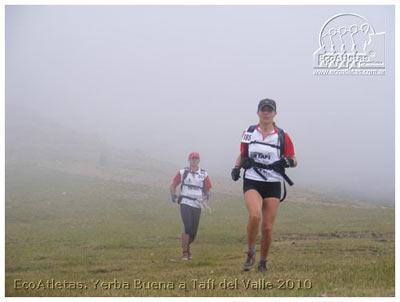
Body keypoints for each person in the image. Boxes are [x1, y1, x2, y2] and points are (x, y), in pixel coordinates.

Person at [231, 98, 297, 272]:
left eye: (270, 110)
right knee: (254, 216)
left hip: (273, 182)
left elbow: (294, 160)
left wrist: (286, 162)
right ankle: (251, 252)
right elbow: (243, 154)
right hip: (253, 179)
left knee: (267, 227)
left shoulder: (283, 136)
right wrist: (236, 168)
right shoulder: (249, 132)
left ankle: (263, 261)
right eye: (263, 110)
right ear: (258, 112)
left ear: (275, 113)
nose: (266, 113)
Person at [170, 152, 212, 261]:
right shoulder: (183, 172)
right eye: (192, 158)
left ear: (199, 160)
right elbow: (173, 184)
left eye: (196, 158)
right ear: (189, 160)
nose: (194, 160)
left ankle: (187, 247)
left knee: (193, 231)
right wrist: (173, 195)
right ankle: (184, 253)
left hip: (197, 204)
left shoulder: (203, 174)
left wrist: (206, 197)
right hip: (185, 202)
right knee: (187, 226)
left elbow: (208, 189)